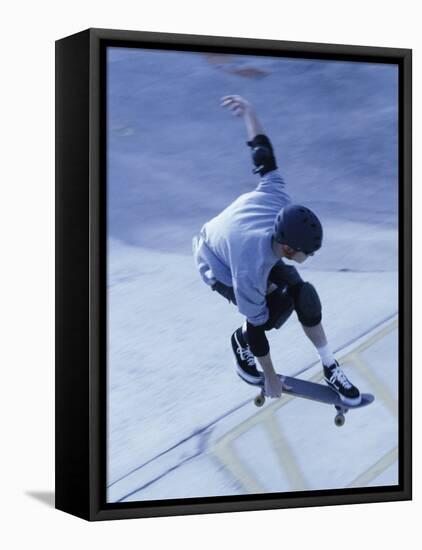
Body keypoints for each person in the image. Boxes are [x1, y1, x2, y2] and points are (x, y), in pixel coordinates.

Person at [192, 95, 361, 405]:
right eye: (305, 253)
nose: (308, 258)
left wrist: (250, 112)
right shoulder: (250, 268)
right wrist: (269, 376)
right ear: (287, 247)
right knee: (270, 310)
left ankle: (329, 365)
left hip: (241, 238)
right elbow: (259, 330)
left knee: (302, 292)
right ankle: (237, 341)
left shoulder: (277, 194)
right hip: (216, 261)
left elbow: (262, 153)